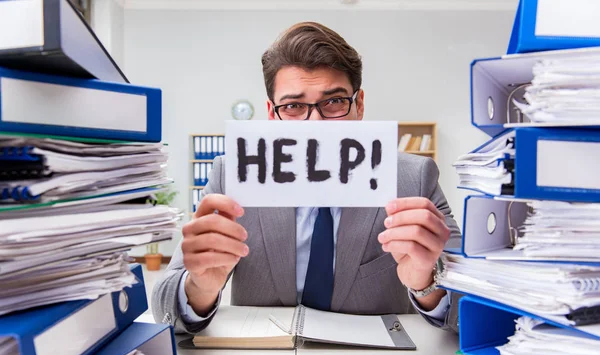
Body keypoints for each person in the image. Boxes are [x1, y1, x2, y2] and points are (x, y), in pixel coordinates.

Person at [152, 22, 462, 334]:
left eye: (334, 101)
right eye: (294, 106)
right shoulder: (233, 177)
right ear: (273, 114)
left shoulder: (413, 178)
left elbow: (475, 308)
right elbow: (164, 309)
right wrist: (200, 288)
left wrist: (428, 282)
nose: (315, 122)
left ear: (360, 105)